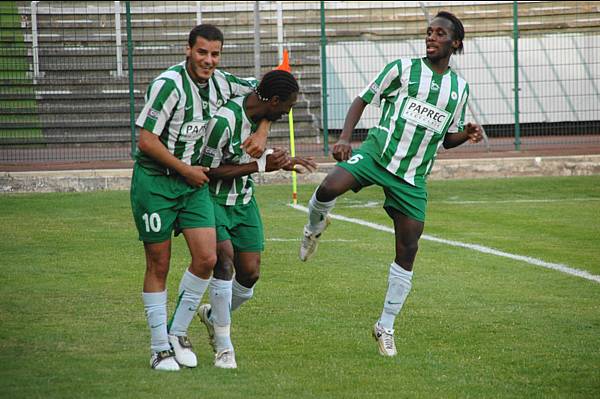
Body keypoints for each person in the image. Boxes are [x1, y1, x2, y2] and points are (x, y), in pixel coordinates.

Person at [298, 11, 483, 357]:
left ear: (455, 43)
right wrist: (344, 139)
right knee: (328, 188)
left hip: (412, 176)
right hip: (377, 155)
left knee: (408, 248)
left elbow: (446, 138)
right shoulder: (402, 68)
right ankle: (313, 228)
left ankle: (385, 325)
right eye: (429, 32)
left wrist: (466, 134)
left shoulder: (459, 88)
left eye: (439, 33)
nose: (431, 37)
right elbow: (362, 98)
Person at [130, 24, 270, 371]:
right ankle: (159, 347)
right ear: (188, 49)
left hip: (191, 186)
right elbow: (146, 141)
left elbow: (270, 92)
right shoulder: (169, 85)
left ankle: (177, 333)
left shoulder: (222, 82)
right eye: (202, 52)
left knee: (208, 259)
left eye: (215, 54)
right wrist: (184, 168)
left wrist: (264, 128)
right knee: (159, 264)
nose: (209, 60)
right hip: (157, 182)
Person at [195, 70, 317, 369]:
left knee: (249, 274)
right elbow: (206, 172)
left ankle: (213, 317)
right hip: (213, 200)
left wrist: (284, 161)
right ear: (273, 101)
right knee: (223, 262)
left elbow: (252, 155)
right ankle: (224, 348)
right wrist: (261, 165)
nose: (288, 113)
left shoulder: (259, 101)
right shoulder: (223, 121)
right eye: (286, 107)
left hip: (243, 201)